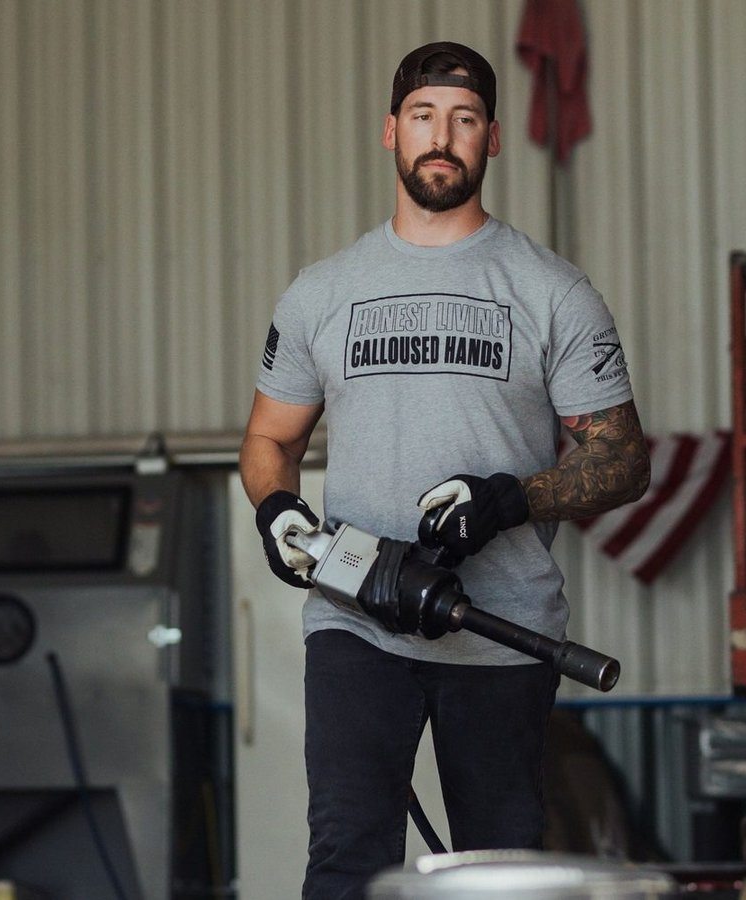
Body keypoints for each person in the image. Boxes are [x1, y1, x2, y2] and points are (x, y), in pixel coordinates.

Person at [239, 40, 650, 899]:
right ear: (391, 130)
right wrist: (278, 510)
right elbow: (270, 441)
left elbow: (622, 460)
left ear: (492, 139)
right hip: (355, 618)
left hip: (503, 630)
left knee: (502, 870)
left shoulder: (551, 291)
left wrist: (510, 500)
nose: (442, 136)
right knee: (347, 859)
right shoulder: (323, 292)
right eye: (423, 116)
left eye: (464, 120)